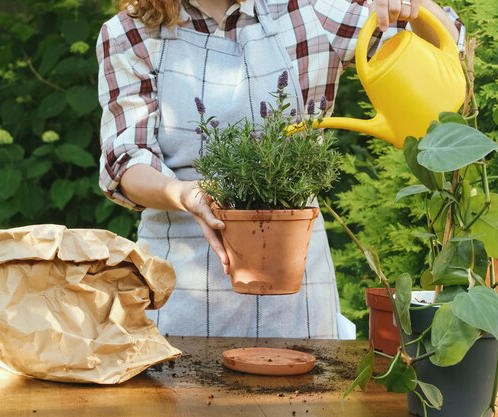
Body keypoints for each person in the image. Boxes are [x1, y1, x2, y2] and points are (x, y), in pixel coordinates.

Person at [96, 0, 465, 339]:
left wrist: (414, 5)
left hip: (296, 284)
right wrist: (182, 193)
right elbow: (126, 159)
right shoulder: (130, 32)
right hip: (177, 286)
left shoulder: (311, 9)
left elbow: (448, 54)